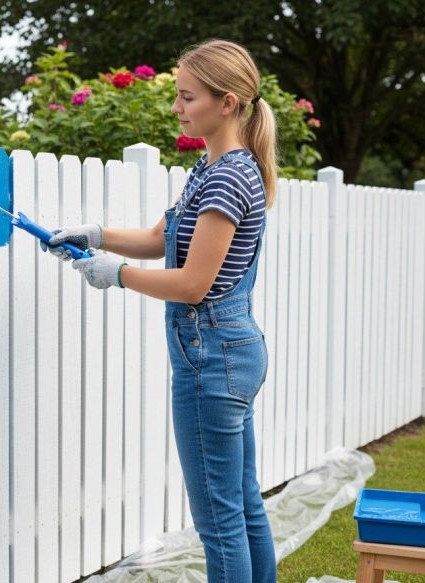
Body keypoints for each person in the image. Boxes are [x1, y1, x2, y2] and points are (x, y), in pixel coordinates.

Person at [42, 38, 278, 582]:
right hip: (231, 349)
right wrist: (97, 234)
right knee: (243, 505)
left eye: (186, 97)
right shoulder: (214, 168)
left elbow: (194, 284)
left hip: (211, 356)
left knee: (220, 521)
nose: (176, 107)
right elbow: (162, 237)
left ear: (228, 103)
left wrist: (116, 275)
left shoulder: (227, 177)